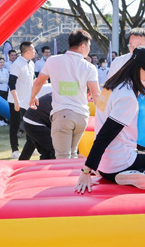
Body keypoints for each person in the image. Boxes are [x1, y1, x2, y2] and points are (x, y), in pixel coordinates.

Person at [75, 47, 145, 193]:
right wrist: (86, 171)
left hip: (106, 166)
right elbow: (105, 135)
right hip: (120, 163)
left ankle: (130, 173)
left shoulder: (111, 86)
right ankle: (137, 174)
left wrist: (96, 167)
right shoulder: (127, 97)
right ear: (140, 69)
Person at [29, 29, 100, 160]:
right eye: (89, 46)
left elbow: (38, 82)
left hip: (62, 115)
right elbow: (96, 94)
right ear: (82, 46)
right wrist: (102, 115)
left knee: (62, 157)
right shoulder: (89, 67)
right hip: (81, 116)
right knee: (72, 155)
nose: (89, 49)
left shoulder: (53, 61)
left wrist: (32, 97)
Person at [7, 41, 36, 158]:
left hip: (28, 99)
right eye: (33, 50)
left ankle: (31, 147)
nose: (35, 52)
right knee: (15, 124)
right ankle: (14, 149)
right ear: (27, 51)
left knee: (30, 124)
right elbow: (11, 83)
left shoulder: (31, 64)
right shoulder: (17, 64)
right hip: (16, 99)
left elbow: (32, 81)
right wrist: (16, 100)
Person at [19, 90, 55, 160]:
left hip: (32, 116)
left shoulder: (58, 91)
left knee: (46, 151)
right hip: (34, 118)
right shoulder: (62, 95)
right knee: (56, 148)